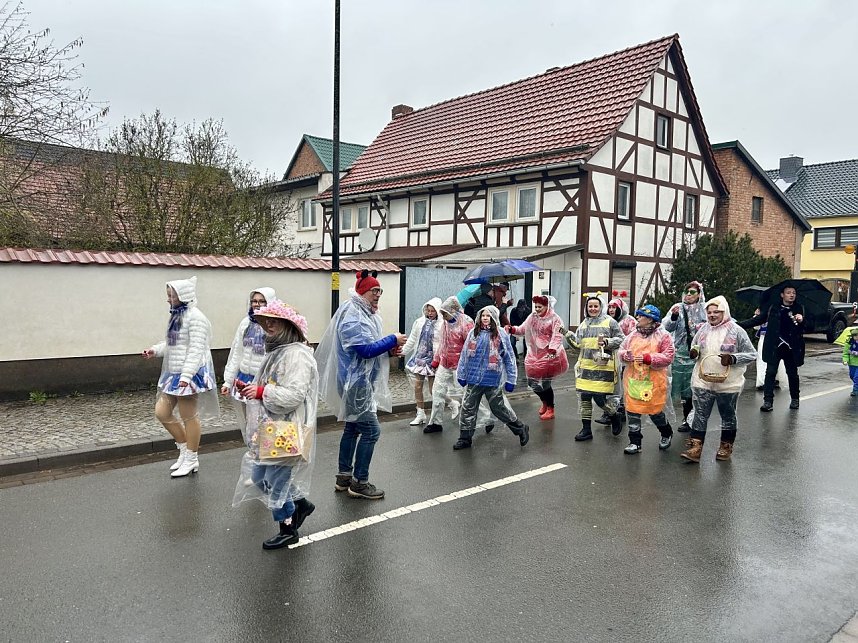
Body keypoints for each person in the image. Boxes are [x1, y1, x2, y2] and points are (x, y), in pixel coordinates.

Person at [232, 300, 317, 550]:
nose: (268, 324)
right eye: (265, 320)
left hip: (287, 429)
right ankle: (299, 503)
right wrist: (252, 389)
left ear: (288, 326)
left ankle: (288, 528)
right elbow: (270, 384)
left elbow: (293, 396)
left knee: (277, 482)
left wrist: (261, 392)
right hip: (271, 428)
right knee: (259, 476)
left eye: (274, 321)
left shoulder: (296, 355)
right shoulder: (277, 352)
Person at [315, 270, 407, 500]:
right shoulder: (353, 315)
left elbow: (370, 346)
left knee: (352, 427)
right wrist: (392, 340)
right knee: (371, 431)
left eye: (380, 291)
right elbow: (364, 350)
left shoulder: (363, 312)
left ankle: (343, 477)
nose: (378, 295)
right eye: (374, 291)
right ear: (363, 291)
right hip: (355, 384)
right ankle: (360, 483)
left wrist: (389, 349)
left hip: (356, 382)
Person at [142, 276, 219, 478]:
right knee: (162, 412)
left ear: (182, 296)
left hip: (189, 375)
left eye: (171, 295)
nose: (168, 299)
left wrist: (187, 376)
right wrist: (155, 350)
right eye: (168, 295)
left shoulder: (197, 318)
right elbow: (172, 343)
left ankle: (192, 458)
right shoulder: (177, 315)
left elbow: (196, 349)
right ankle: (184, 450)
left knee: (189, 416)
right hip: (173, 373)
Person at [680, 296, 757, 463]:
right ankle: (695, 448)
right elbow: (695, 345)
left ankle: (725, 446)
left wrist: (733, 358)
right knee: (700, 414)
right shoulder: (703, 330)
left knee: (728, 415)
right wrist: (694, 352)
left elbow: (752, 354)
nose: (712, 315)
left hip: (729, 383)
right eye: (709, 312)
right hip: (703, 380)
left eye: (717, 312)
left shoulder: (736, 331)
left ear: (725, 312)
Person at [454, 306, 530, 450]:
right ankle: (465, 438)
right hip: (473, 378)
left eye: (488, 316)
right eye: (483, 315)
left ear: (494, 318)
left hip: (492, 379)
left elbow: (509, 357)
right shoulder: (473, 333)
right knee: (468, 408)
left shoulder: (500, 334)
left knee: (499, 408)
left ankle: (520, 428)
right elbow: (464, 355)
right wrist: (461, 374)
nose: (485, 318)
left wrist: (511, 379)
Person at [425, 296, 494, 434]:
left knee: (466, 395)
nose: (442, 316)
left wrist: (471, 365)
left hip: (460, 366)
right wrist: (436, 360)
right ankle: (435, 422)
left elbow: (472, 346)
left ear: (452, 311)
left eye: (444, 313)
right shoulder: (445, 323)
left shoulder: (466, 323)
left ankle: (486, 418)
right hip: (445, 363)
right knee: (437, 392)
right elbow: (443, 343)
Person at [564, 293, 624, 441]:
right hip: (586, 367)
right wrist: (567, 335)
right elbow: (578, 346)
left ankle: (614, 415)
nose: (592, 308)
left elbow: (621, 338)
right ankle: (586, 430)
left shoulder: (610, 322)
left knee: (599, 399)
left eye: (595, 306)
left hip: (603, 367)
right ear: (586, 308)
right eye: (590, 306)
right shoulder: (583, 324)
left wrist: (608, 342)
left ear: (600, 307)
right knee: (584, 398)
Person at [617, 305, 675, 454]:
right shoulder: (633, 335)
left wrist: (649, 358)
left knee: (655, 411)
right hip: (633, 379)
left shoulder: (664, 336)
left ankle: (666, 432)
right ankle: (635, 442)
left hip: (654, 381)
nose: (637, 318)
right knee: (632, 411)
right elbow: (622, 349)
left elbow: (668, 357)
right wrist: (625, 355)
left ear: (650, 319)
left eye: (641, 316)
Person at [739, 285, 805, 412]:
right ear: (782, 295)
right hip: (775, 346)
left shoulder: (799, 308)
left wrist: (801, 320)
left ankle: (795, 399)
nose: (791, 295)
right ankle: (768, 401)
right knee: (770, 373)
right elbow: (758, 320)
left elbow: (808, 326)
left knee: (792, 374)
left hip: (791, 347)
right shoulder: (773, 308)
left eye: (794, 293)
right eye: (788, 293)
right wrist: (738, 325)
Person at [221, 287, 276, 434]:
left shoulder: (275, 325)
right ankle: (252, 451)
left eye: (261, 301)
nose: (257, 304)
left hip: (264, 382)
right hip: (245, 377)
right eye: (254, 301)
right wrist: (228, 380)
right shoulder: (245, 323)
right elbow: (237, 352)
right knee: (249, 424)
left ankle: (264, 452)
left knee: (264, 422)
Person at [506, 295, 568, 421]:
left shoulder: (555, 319)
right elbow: (523, 328)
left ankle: (551, 408)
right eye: (536, 307)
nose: (537, 309)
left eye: (540, 307)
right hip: (535, 354)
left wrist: (552, 349)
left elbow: (557, 335)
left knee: (546, 383)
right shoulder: (533, 317)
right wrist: (512, 329)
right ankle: (544, 401)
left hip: (549, 354)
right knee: (531, 382)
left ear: (547, 306)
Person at [663, 281, 707, 432]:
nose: (688, 295)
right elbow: (667, 327)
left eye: (692, 292)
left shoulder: (705, 309)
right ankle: (687, 419)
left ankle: (696, 417)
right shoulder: (678, 307)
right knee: (684, 388)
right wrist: (674, 317)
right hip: (681, 352)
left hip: (699, 352)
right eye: (686, 292)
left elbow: (711, 327)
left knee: (696, 386)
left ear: (699, 294)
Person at [595, 292, 637, 426]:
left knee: (619, 386)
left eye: (614, 307)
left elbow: (633, 339)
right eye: (610, 307)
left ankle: (617, 411)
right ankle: (611, 412)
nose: (612, 310)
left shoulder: (629, 321)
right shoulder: (606, 321)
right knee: (609, 385)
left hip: (623, 358)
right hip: (608, 357)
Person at [401, 298, 443, 426]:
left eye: (432, 311)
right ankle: (420, 414)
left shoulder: (442, 325)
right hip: (420, 358)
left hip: (433, 360)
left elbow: (444, 343)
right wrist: (402, 352)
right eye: (428, 310)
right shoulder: (419, 322)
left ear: (437, 312)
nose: (430, 313)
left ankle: (440, 412)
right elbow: (412, 339)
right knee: (417, 386)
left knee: (433, 390)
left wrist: (441, 358)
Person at [752, 317, 787, 391]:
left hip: (776, 337)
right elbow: (756, 326)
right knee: (763, 359)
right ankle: (764, 381)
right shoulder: (763, 311)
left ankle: (773, 379)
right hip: (765, 338)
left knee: (776, 359)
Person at [841, 326, 858, 397]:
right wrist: (845, 360)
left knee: (856, 377)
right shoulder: (849, 344)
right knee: (852, 375)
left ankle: (855, 390)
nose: (857, 337)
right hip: (852, 363)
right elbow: (845, 353)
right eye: (855, 336)